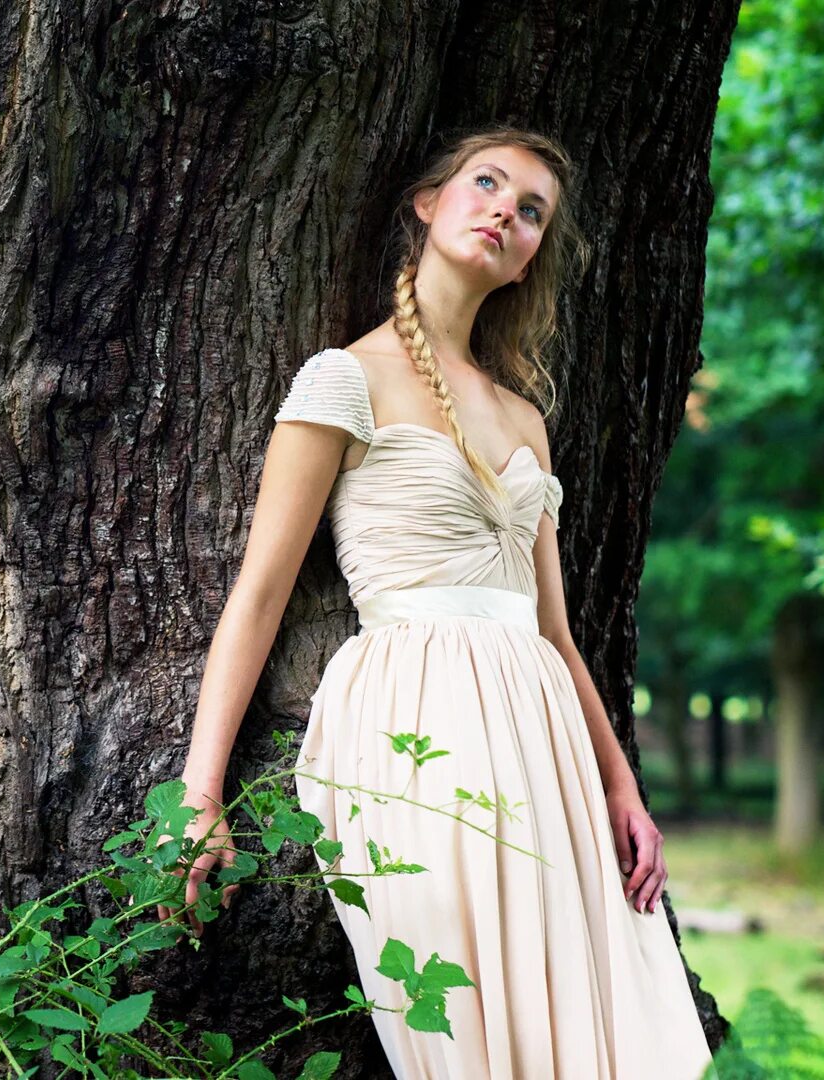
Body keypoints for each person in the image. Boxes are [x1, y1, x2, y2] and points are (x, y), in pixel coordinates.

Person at [160, 126, 716, 1077]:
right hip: (418, 722)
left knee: (604, 1022)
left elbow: (557, 634)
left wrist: (623, 788)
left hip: (543, 738)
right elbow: (258, 596)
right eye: (488, 183)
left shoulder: (524, 417)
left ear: (531, 254)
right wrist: (199, 791)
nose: (506, 208)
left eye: (531, 208)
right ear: (428, 203)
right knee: (471, 1018)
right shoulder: (344, 379)